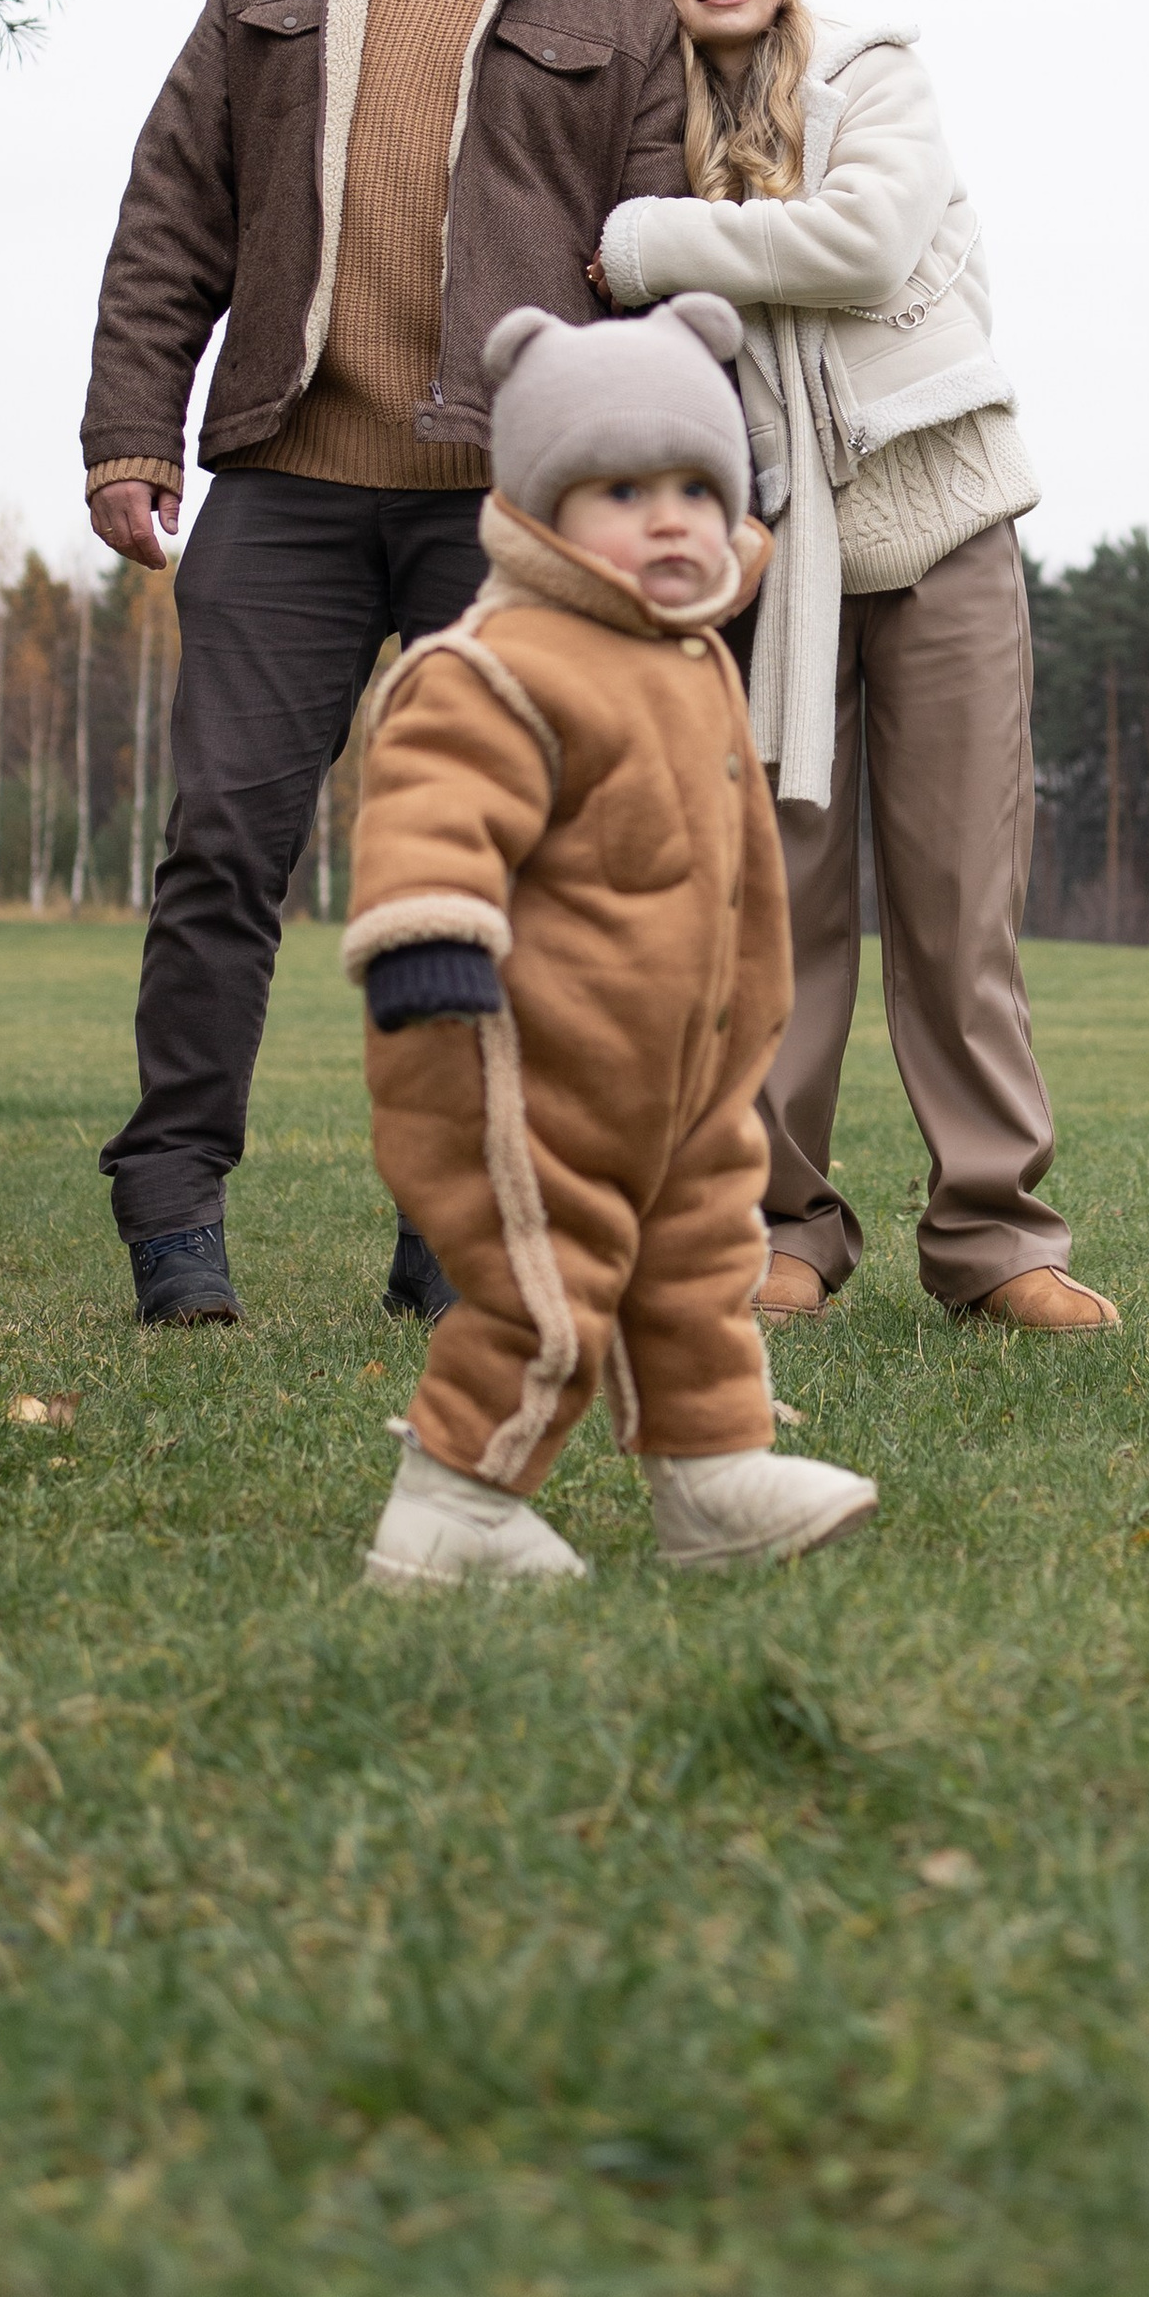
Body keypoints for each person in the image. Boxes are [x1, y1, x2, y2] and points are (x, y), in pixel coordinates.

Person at [80, 0, 685, 1328]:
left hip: (500, 513)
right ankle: (173, 1205)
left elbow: (653, 264)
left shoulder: (622, 8)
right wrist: (132, 425)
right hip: (283, 477)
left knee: (487, 873)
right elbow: (172, 208)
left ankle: (446, 1221)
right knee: (224, 847)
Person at [594, 0, 1117, 1334]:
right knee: (782, 907)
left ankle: (995, 1235)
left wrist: (648, 243)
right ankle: (783, 1227)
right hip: (766, 549)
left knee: (960, 897)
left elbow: (864, 245)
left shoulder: (872, 80)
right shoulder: (639, 121)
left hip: (936, 522)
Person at [349, 296, 878, 1585]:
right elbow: (433, 802)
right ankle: (452, 1505)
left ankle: (713, 1480)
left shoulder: (691, 659)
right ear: (538, 510)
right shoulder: (499, 663)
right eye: (624, 488)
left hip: (685, 1080)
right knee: (548, 1285)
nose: (671, 518)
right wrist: (433, 939)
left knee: (699, 1273)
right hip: (529, 1065)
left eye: (699, 488)